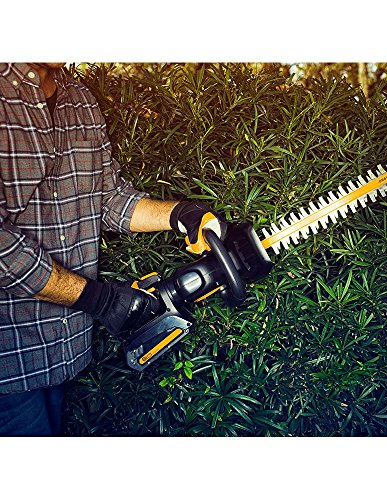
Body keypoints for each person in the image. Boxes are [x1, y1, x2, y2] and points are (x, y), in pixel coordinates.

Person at [0, 63, 226, 436]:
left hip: (61, 348)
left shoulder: (79, 99)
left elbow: (108, 197)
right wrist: (98, 299)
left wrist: (179, 215)